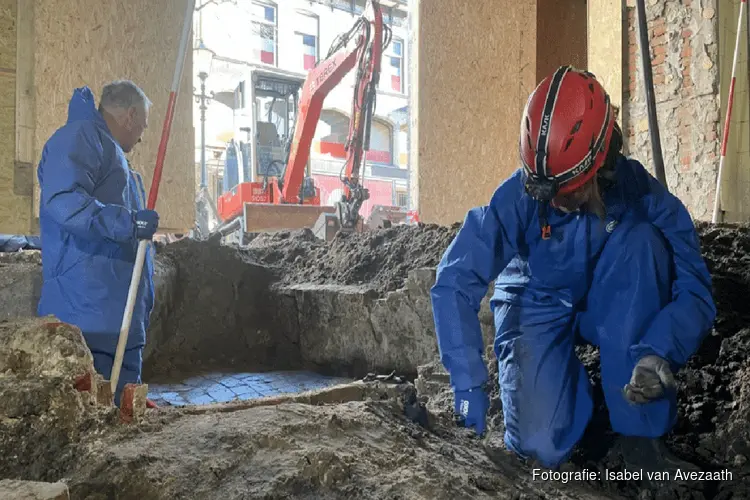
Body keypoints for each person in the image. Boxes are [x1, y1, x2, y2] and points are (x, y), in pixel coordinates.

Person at [430, 66, 716, 473]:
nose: (553, 201)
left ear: (601, 161)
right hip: (536, 297)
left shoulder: (639, 193)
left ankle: (639, 436)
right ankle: (569, 394)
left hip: (611, 295)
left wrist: (659, 351)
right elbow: (454, 280)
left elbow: (696, 289)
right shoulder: (518, 198)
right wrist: (467, 382)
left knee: (643, 243)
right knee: (540, 446)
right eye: (540, 188)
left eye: (567, 190)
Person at [37, 81, 160, 406]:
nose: (142, 136)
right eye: (143, 126)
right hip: (90, 316)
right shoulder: (80, 139)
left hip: (112, 317)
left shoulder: (110, 152)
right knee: (89, 415)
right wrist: (129, 223)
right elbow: (64, 202)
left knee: (114, 413)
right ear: (130, 115)